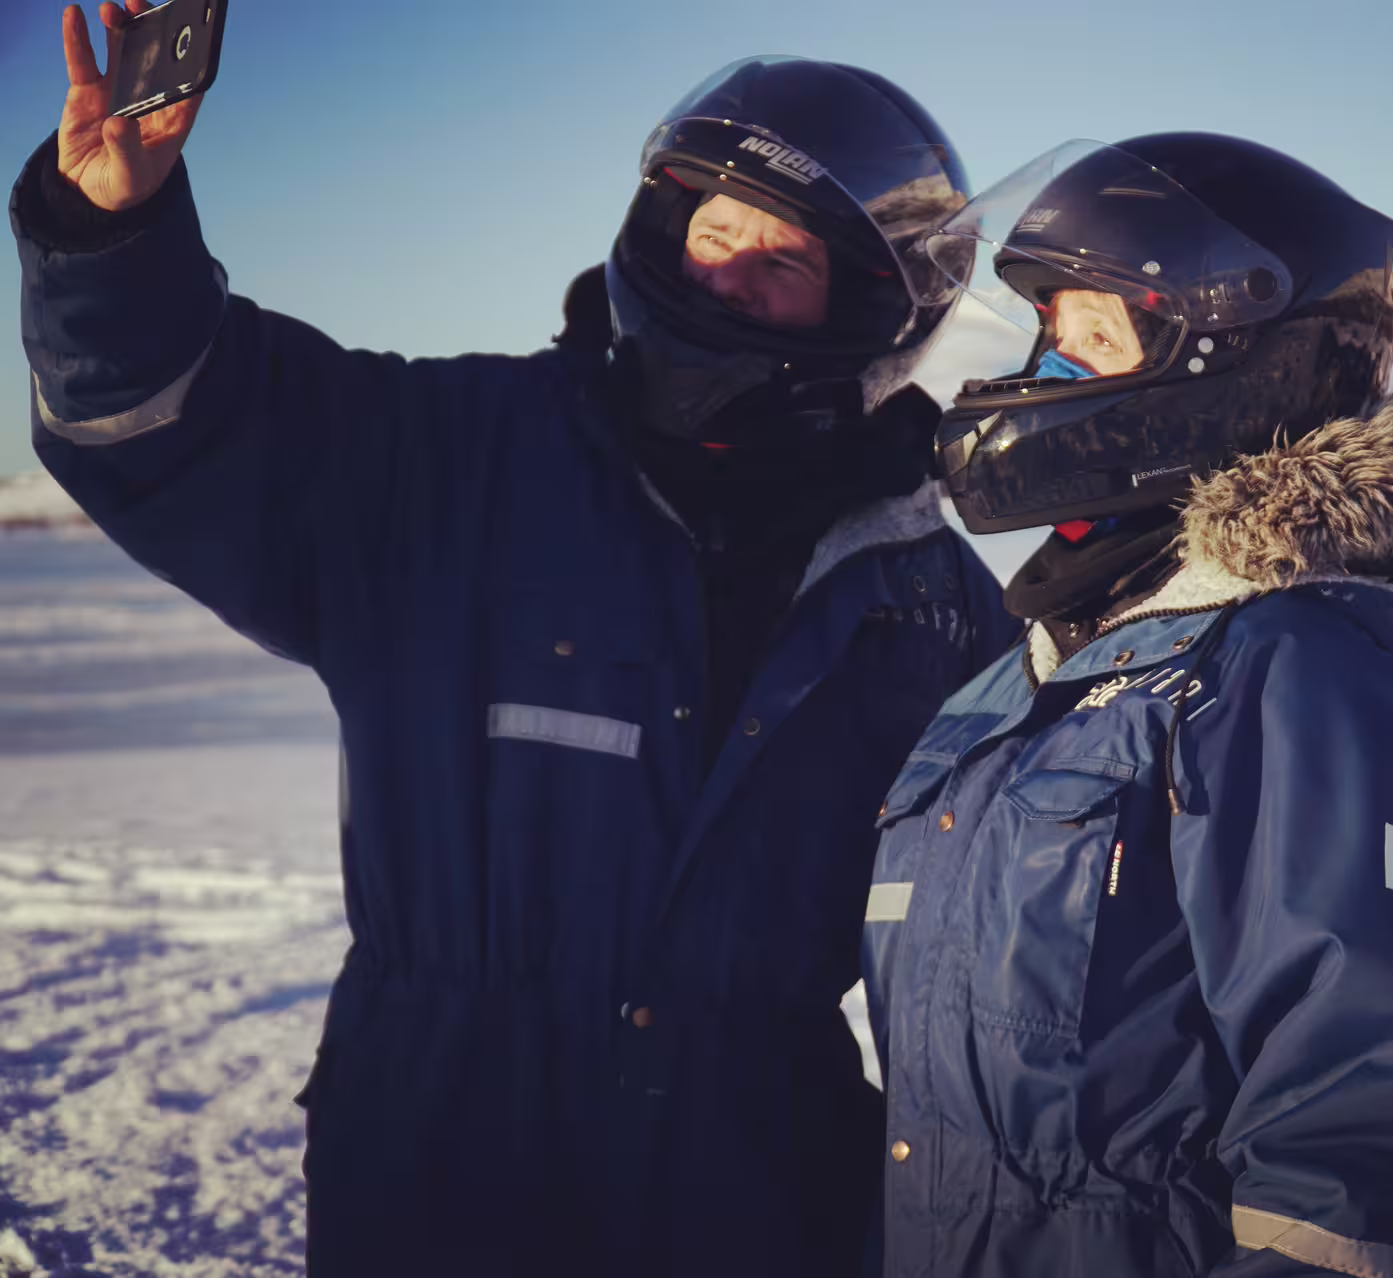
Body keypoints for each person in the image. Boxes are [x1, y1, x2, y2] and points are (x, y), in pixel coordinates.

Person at [15, 5, 1018, 1274]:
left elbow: (1000, 949)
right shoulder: (453, 458)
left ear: (865, 306)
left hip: (756, 1179)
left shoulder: (921, 590)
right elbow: (179, 425)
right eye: (711, 233)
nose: (726, 277)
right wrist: (109, 239)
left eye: (782, 262)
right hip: (444, 1161)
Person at [861, 135, 1393, 1277]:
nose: (1049, 371)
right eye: (1048, 334)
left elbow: (1362, 1138)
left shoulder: (1295, 674)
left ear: (1225, 363)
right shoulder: (1028, 671)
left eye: (1093, 338)